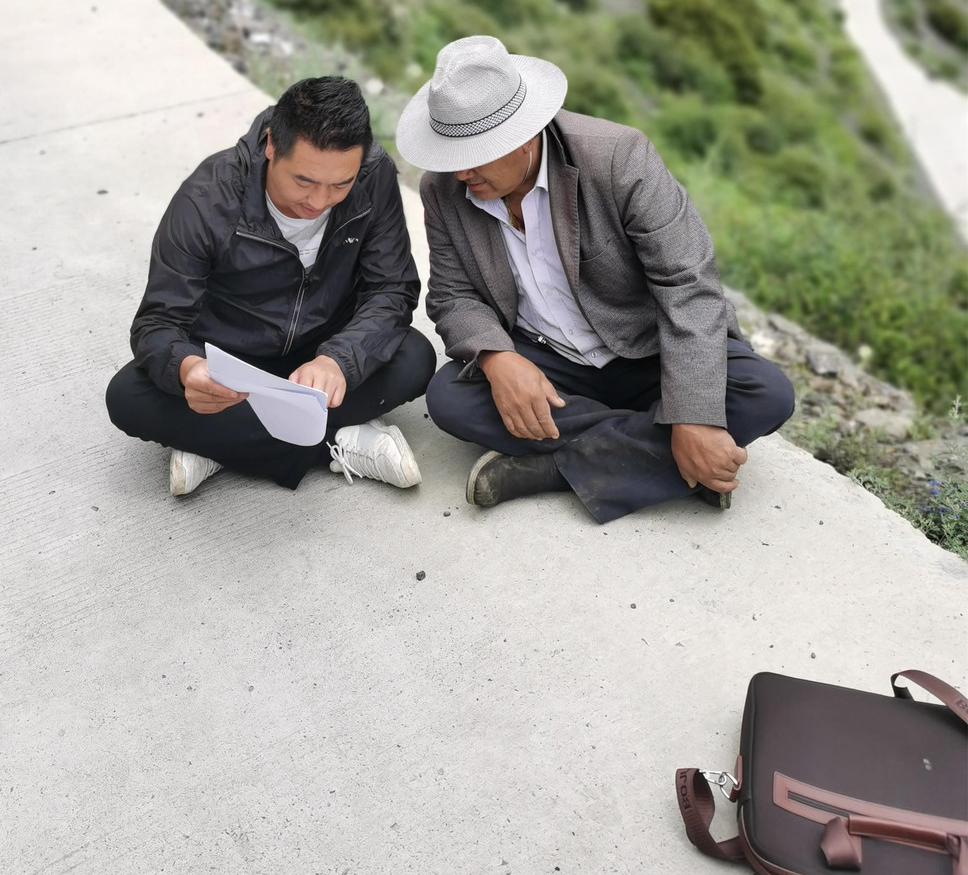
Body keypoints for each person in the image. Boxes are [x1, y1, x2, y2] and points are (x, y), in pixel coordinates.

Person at [395, 36, 794, 523]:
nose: (461, 174)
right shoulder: (443, 190)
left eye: (474, 156)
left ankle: (550, 470)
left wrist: (693, 415)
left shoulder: (619, 158)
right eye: (451, 156)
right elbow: (453, 295)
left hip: (646, 352)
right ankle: (669, 461)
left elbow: (689, 285)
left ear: (523, 136)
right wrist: (498, 359)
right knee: (450, 400)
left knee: (765, 393)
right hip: (549, 359)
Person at [107, 76, 435, 495]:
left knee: (415, 357)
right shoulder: (206, 199)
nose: (319, 201)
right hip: (232, 362)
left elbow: (392, 289)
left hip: (321, 354)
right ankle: (340, 441)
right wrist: (189, 369)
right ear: (270, 147)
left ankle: (217, 444)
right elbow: (156, 324)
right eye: (304, 181)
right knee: (127, 397)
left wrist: (337, 361)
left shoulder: (373, 174)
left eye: (341, 184)